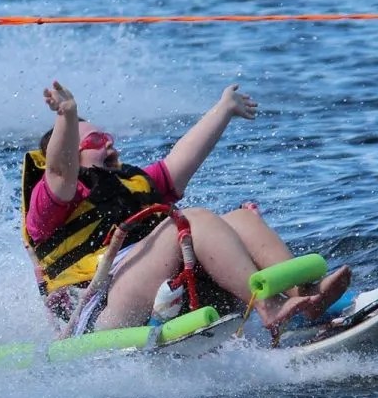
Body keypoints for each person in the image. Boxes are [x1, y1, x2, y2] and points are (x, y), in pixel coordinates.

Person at [22, 80, 350, 337]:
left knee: (240, 219)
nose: (108, 143)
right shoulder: (49, 203)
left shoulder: (132, 182)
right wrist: (66, 116)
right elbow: (59, 170)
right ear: (71, 153)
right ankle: (269, 305)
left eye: (106, 136)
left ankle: (306, 295)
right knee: (192, 220)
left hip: (160, 288)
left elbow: (181, 158)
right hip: (102, 310)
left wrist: (224, 108)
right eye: (94, 142)